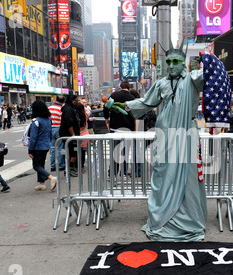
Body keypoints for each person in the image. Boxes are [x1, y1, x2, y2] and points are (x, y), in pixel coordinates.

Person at [104, 41, 212, 242]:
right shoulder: (161, 83)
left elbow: (210, 75)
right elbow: (145, 103)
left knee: (188, 178)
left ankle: (188, 220)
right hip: (163, 135)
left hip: (186, 136)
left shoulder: (193, 79)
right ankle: (163, 219)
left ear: (183, 64)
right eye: (168, 61)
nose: (171, 65)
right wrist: (121, 105)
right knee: (162, 176)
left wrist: (206, 59)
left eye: (176, 62)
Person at [104, 81, 136, 177]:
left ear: (120, 87)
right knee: (126, 152)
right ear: (129, 88)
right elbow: (136, 113)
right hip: (128, 129)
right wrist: (135, 128)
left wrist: (107, 121)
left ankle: (112, 173)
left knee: (115, 152)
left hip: (115, 128)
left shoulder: (114, 95)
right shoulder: (132, 98)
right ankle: (124, 173)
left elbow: (106, 107)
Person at [28, 100, 57, 191]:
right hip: (46, 145)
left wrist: (30, 149)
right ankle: (42, 183)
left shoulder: (36, 121)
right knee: (41, 164)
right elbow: (49, 134)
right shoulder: (48, 120)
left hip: (38, 146)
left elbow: (33, 137)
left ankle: (51, 178)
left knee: (36, 166)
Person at [59, 95, 81, 177]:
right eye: (76, 100)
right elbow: (69, 123)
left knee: (72, 152)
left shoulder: (70, 108)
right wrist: (73, 135)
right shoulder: (68, 109)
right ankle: (70, 170)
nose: (77, 102)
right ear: (72, 101)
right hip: (69, 135)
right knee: (72, 153)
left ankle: (69, 169)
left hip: (69, 135)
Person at [48, 95, 65, 172]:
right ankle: (61, 165)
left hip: (50, 128)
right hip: (59, 128)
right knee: (60, 147)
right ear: (63, 101)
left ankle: (52, 165)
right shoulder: (61, 109)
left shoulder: (49, 108)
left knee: (52, 148)